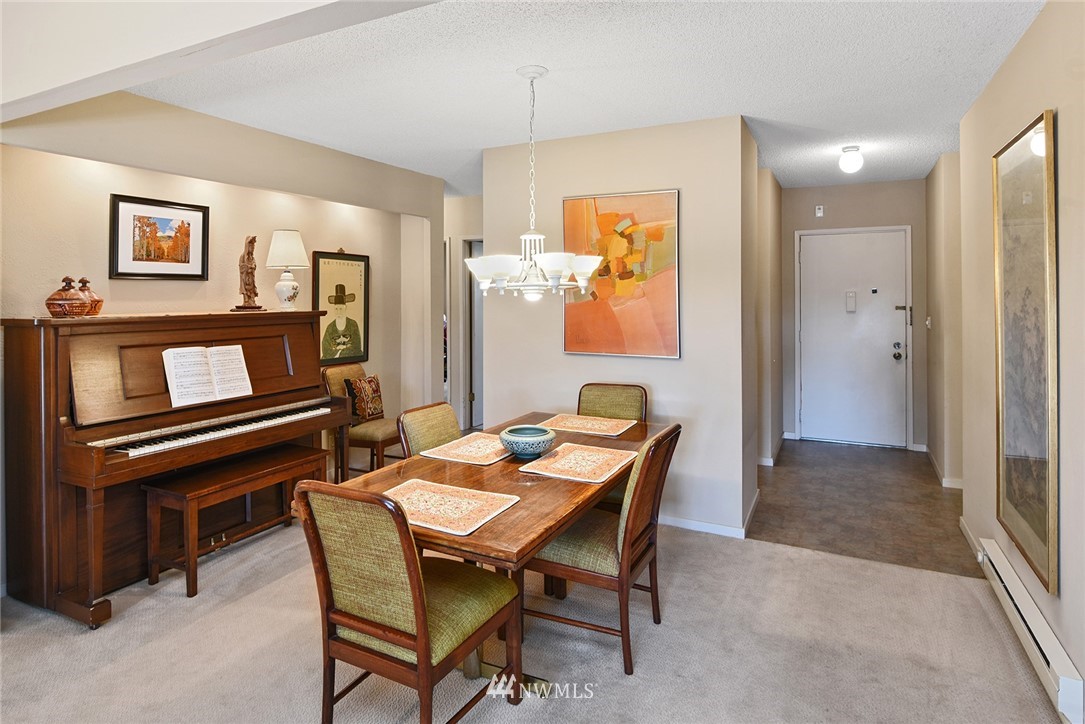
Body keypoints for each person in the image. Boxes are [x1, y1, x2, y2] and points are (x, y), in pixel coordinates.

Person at [321, 284, 363, 359]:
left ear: (345, 308)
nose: (338, 312)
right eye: (336, 309)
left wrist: (339, 351)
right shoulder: (330, 327)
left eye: (340, 309)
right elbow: (325, 349)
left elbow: (356, 347)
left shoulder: (353, 324)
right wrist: (341, 349)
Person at [238, 236, 259, 307]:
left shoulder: (252, 258)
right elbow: (242, 267)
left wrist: (252, 267)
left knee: (252, 290)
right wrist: (248, 267)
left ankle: (252, 300)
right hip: (245, 279)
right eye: (251, 246)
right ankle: (246, 301)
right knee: (245, 289)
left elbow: (254, 265)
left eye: (253, 247)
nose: (253, 248)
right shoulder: (242, 257)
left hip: (251, 278)